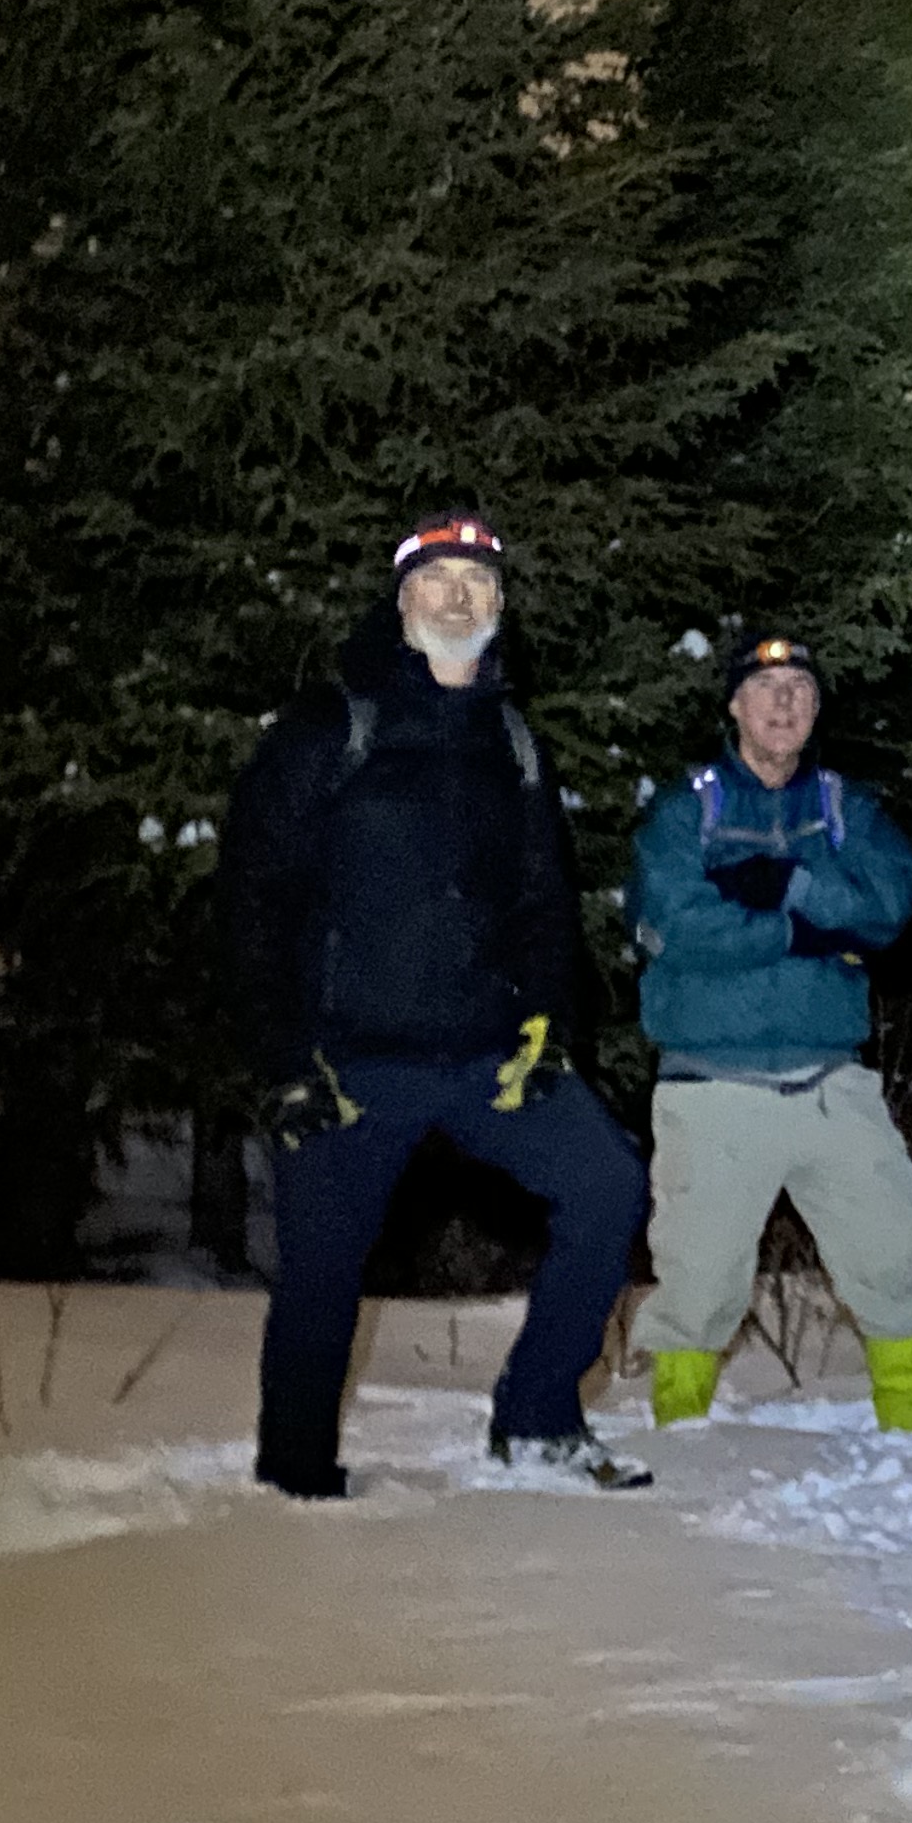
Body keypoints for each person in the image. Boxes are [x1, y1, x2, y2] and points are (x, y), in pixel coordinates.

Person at [222, 513, 652, 1497]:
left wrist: (551, 1030)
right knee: (322, 1272)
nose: (459, 597)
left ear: (499, 603)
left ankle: (538, 1419)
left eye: (478, 581)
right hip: (349, 1061)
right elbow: (253, 897)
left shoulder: (512, 741)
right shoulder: (331, 727)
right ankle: (295, 1481)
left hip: (486, 1054)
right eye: (437, 578)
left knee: (606, 1186)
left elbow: (545, 902)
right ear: (402, 598)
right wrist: (282, 1059)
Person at [623, 634, 912, 1436]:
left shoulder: (845, 808)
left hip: (832, 1081)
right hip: (713, 1085)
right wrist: (802, 933)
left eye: (800, 688)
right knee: (697, 1286)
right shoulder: (686, 809)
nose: (784, 703)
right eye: (766, 687)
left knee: (895, 1261)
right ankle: (680, 1446)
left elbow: (889, 906)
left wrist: (795, 884)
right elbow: (678, 927)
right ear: (734, 705)